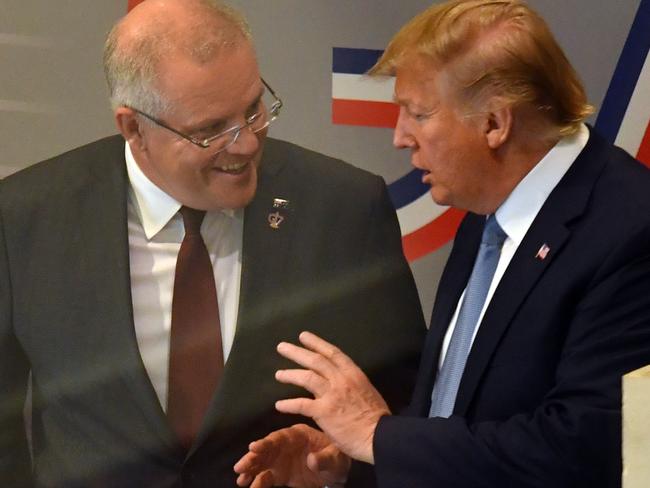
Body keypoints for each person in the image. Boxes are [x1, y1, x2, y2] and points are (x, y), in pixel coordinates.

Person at [0, 0, 426, 486]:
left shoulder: (344, 208)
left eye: (253, 110)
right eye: (210, 131)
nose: (245, 144)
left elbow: (402, 411)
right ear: (134, 127)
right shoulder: (24, 219)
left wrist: (341, 470)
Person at [233, 1, 650, 487]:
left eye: (418, 113)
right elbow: (459, 414)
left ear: (494, 124)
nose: (399, 138)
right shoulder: (489, 208)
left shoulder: (631, 232)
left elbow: (585, 451)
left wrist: (380, 438)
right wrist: (355, 461)